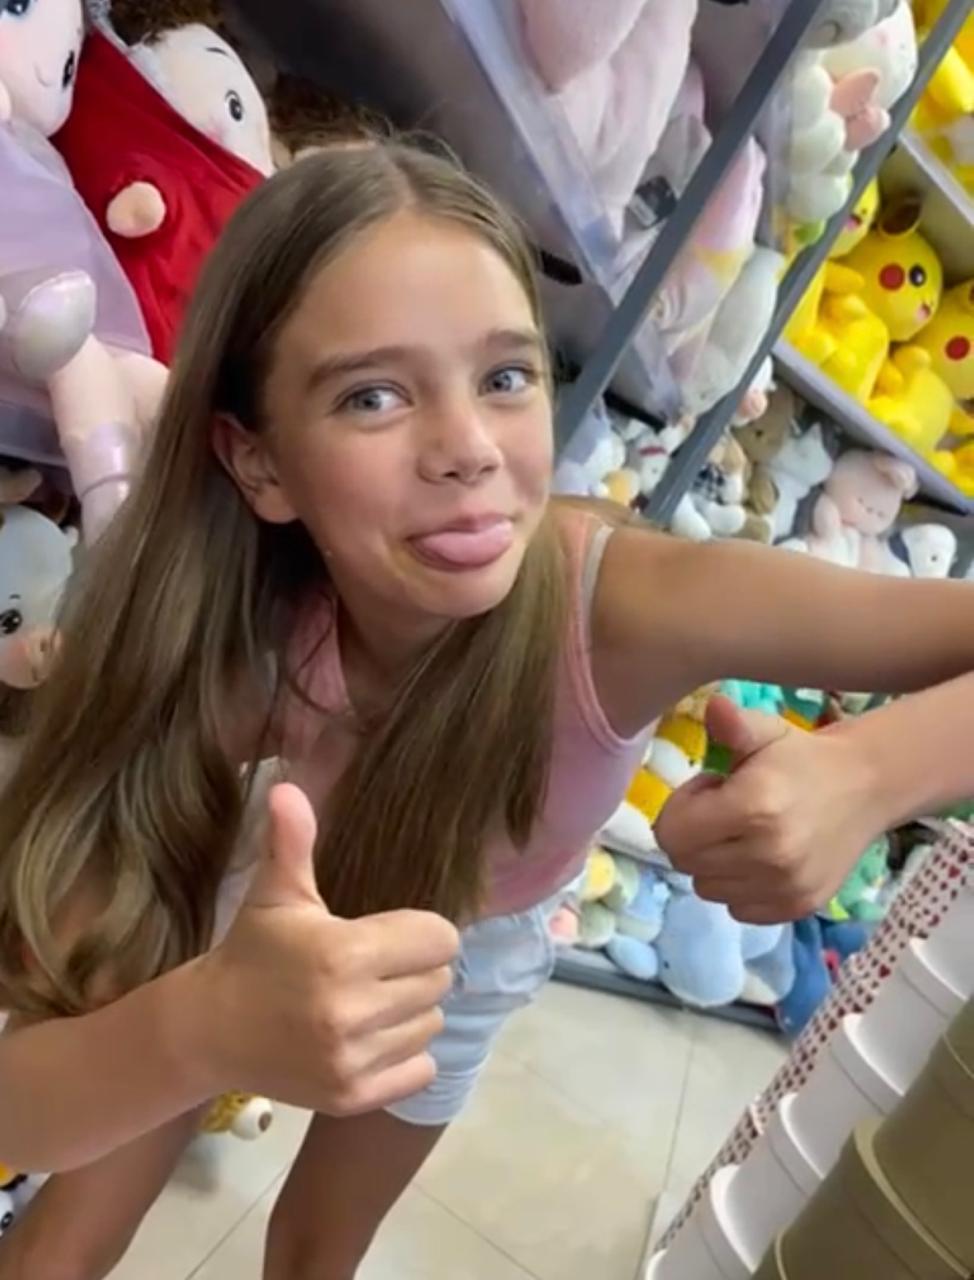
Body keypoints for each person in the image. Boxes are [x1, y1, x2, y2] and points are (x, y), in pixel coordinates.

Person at [0, 140, 972, 1280]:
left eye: (506, 377)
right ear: (257, 465)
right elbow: (26, 1106)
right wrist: (201, 1027)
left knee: (316, 1246)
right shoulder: (231, 644)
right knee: (74, 1216)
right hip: (274, 886)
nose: (467, 450)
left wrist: (870, 770)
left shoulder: (620, 605)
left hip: (471, 941)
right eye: (371, 395)